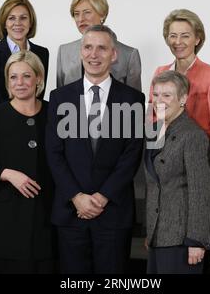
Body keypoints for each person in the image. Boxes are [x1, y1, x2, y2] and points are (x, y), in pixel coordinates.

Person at [46, 25, 145, 273]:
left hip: (113, 211)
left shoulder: (133, 99)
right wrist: (77, 197)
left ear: (114, 55)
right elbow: (54, 153)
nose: (94, 54)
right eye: (88, 47)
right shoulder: (60, 97)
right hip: (71, 212)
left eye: (102, 48)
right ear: (81, 52)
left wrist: (102, 197)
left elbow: (131, 155)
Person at [0, 51, 55, 273]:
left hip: (43, 216)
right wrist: (7, 173)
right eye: (13, 77)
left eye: (26, 76)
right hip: (2, 218)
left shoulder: (54, 113)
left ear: (38, 78)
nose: (20, 83)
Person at [145, 70, 210, 274]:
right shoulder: (152, 130)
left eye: (167, 95)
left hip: (182, 238)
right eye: (156, 94)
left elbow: (200, 191)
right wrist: (150, 232)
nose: (159, 101)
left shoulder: (193, 135)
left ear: (183, 99)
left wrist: (196, 240)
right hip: (158, 234)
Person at [148, 9, 210, 139]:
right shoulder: (160, 72)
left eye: (185, 36)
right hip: (163, 148)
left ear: (197, 39)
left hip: (197, 148)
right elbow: (151, 116)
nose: (178, 42)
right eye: (173, 35)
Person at [57, 0, 141, 90]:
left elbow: (134, 100)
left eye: (87, 12)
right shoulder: (64, 52)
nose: (80, 19)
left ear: (102, 14)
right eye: (76, 14)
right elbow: (60, 98)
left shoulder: (129, 55)